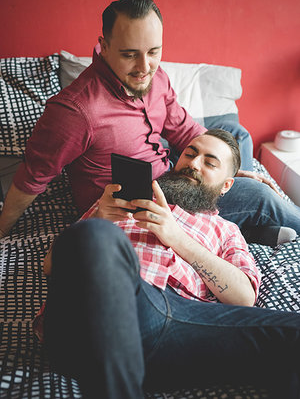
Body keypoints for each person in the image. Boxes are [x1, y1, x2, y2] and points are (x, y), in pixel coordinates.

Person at [0, 0, 299, 246]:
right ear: (104, 46)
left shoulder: (157, 79)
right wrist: (2, 231)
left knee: (232, 134)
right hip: (138, 205)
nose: (145, 67)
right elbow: (32, 176)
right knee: (260, 195)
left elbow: (184, 129)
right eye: (130, 55)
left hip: (170, 172)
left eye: (153, 52)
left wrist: (225, 167)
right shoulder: (74, 111)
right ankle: (251, 222)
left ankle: (243, 225)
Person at [41, 130, 300, 399]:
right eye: (190, 153)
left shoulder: (227, 230)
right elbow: (50, 266)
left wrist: (177, 238)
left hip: (177, 322)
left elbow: (244, 297)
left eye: (210, 163)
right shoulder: (116, 202)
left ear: (226, 185)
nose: (194, 163)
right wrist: (101, 218)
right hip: (83, 320)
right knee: (96, 235)